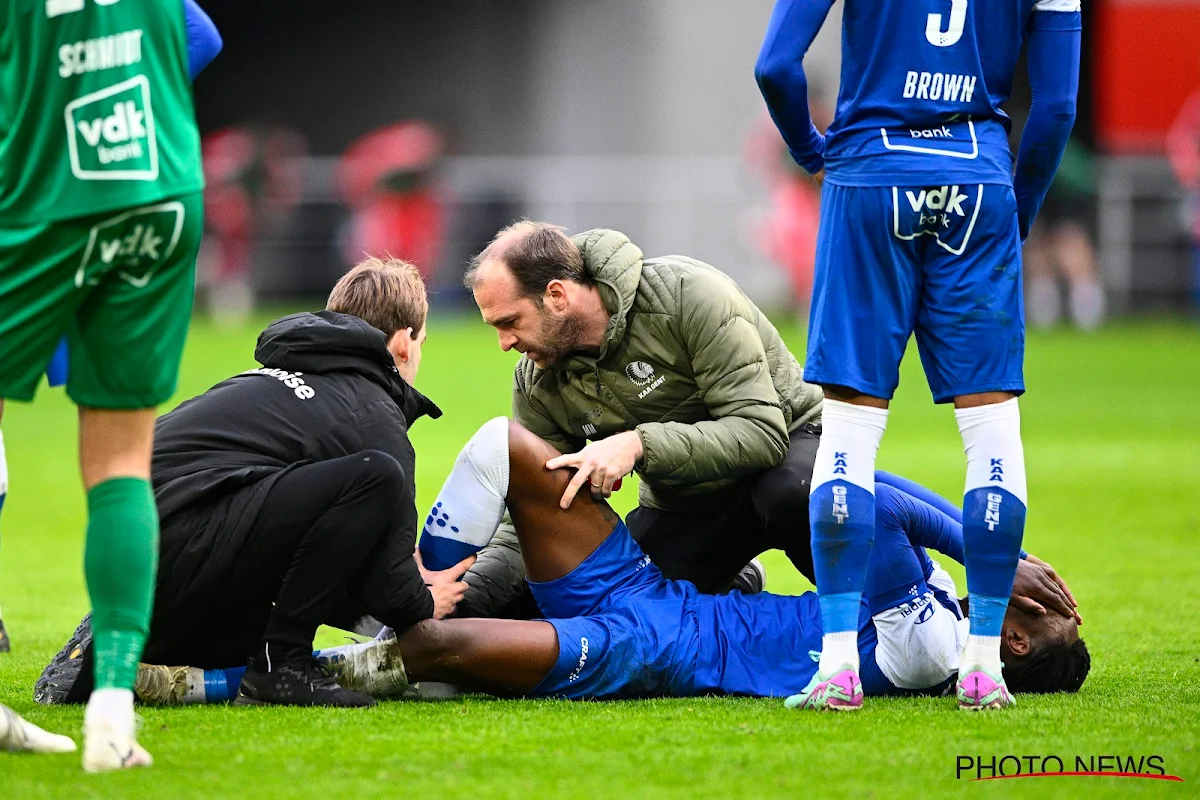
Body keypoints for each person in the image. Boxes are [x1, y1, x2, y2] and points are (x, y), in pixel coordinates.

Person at [96, 420, 1089, 706]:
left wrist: (989, 537)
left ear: (1009, 634)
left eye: (1038, 607)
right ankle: (385, 609)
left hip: (649, 643)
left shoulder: (931, 641)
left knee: (430, 646)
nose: (1036, 592)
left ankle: (211, 680)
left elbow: (843, 487)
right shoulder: (943, 607)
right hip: (656, 595)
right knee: (508, 444)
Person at [755, 0, 1081, 709]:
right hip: (978, 181)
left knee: (846, 434)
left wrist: (814, 153)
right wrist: (1015, 205)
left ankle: (838, 666)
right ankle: (985, 667)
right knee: (992, 433)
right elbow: (1054, 108)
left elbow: (776, 66)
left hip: (869, 176)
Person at [35, 258, 474, 710]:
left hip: (135, 564)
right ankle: (281, 665)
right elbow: (393, 593)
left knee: (315, 501)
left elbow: (308, 545)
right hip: (186, 556)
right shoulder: (371, 411)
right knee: (377, 475)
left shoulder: (265, 383)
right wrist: (423, 600)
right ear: (404, 343)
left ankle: (141, 650)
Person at [0, 0, 220, 769]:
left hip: (44, 199)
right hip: (159, 196)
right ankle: (113, 716)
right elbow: (202, 34)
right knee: (121, 463)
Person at [427, 221, 823, 605]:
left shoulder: (688, 295)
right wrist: (457, 593)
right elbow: (536, 519)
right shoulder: (537, 381)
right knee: (618, 603)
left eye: (510, 322)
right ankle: (735, 582)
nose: (503, 343)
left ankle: (867, 627)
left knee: (790, 493)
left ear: (557, 296)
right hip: (685, 498)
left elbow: (762, 434)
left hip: (793, 445)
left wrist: (636, 444)